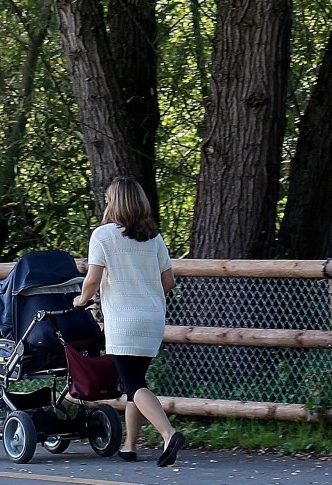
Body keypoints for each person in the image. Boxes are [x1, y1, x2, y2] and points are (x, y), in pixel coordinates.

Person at [73, 176, 185, 467]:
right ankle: (130, 446)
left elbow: (93, 279)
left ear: (116, 202)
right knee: (135, 382)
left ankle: (168, 433)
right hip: (152, 319)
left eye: (109, 199)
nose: (107, 203)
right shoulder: (153, 237)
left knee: (133, 384)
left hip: (123, 321)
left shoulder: (103, 236)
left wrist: (81, 300)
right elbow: (168, 281)